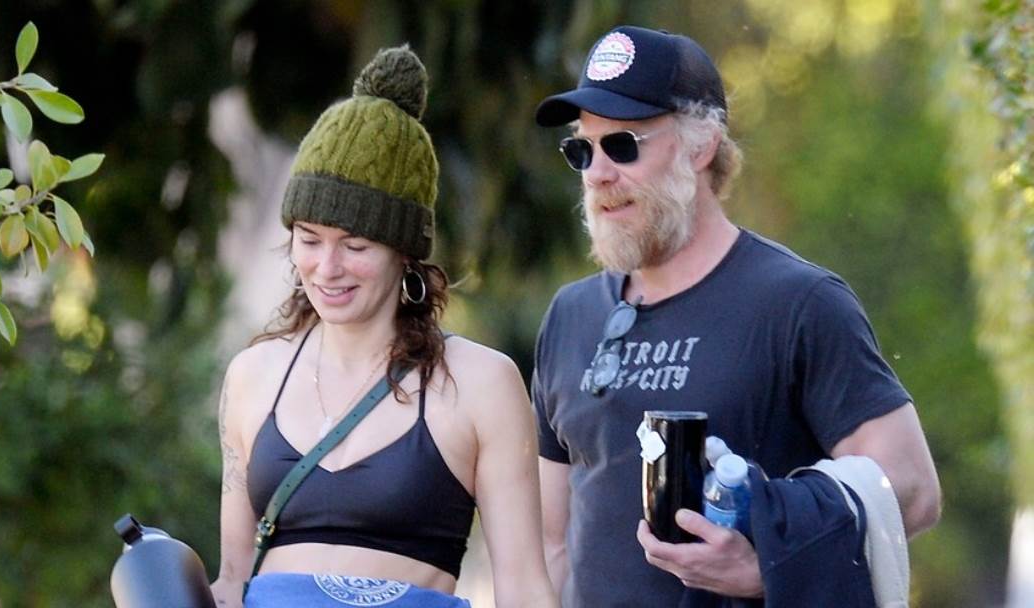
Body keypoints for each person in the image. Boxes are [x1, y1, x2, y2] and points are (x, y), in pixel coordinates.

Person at [530, 25, 941, 606]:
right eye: (582, 150)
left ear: (701, 146)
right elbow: (551, 546)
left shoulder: (799, 302)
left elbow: (914, 490)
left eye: (622, 145)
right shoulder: (569, 316)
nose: (597, 173)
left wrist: (769, 566)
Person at [210, 46, 557, 607]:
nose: (327, 268)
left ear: (406, 253)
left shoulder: (481, 382)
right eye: (309, 240)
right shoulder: (254, 374)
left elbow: (524, 589)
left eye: (356, 246)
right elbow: (231, 580)